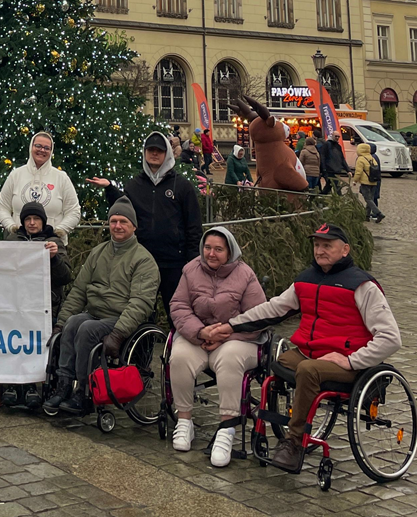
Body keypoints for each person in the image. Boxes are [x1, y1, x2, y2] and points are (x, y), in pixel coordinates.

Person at [205, 222, 401, 472]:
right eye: (317, 245)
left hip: (347, 361)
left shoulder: (362, 286)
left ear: (345, 250)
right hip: (310, 352)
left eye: (327, 245)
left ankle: (294, 442)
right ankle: (262, 417)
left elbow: (391, 337)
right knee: (278, 361)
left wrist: (352, 361)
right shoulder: (306, 280)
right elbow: (273, 309)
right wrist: (231, 326)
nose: (319, 250)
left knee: (308, 370)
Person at [43, 199, 160, 417]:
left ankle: (85, 392)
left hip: (120, 318)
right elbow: (78, 291)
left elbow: (140, 303)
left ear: (134, 226)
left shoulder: (143, 260)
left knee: (86, 328)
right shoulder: (98, 252)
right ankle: (65, 385)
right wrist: (59, 323)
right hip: (94, 312)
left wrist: (118, 334)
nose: (117, 226)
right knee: (72, 324)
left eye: (123, 221)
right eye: (113, 221)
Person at [168, 226, 266, 466]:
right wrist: (200, 331)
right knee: (178, 355)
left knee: (231, 358)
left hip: (237, 338)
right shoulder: (190, 269)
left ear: (230, 251)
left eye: (218, 249)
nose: (211, 253)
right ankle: (184, 421)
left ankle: (227, 428)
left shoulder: (245, 274)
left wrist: (226, 332)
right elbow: (179, 305)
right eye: (208, 247)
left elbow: (258, 315)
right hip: (197, 334)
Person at [87, 132, 202, 316]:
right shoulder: (134, 185)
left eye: (159, 150)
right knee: (141, 313)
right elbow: (125, 209)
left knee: (177, 313)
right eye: (150, 150)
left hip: (174, 262)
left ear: (167, 154)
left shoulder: (181, 186)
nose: (154, 154)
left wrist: (193, 260)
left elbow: (194, 226)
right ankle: (143, 345)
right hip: (141, 261)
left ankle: (177, 345)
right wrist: (110, 189)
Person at [2, 200, 72, 412]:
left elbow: (66, 276)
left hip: (45, 304)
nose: (32, 223)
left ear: (43, 221)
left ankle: (33, 384)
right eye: (28, 219)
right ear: (22, 222)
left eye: (36, 219)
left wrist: (53, 259)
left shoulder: (54, 242)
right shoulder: (12, 240)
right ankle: (13, 383)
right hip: (15, 303)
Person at [0, 131, 81, 242]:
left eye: (47, 148)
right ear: (31, 147)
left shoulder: (61, 177)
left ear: (51, 151)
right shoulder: (15, 175)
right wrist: (12, 227)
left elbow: (74, 211)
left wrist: (59, 231)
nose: (42, 150)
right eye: (38, 146)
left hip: (52, 245)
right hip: (19, 243)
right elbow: (2, 207)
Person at [352, 143, 384, 222]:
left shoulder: (361, 159)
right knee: (371, 199)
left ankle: (379, 213)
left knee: (368, 199)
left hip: (365, 182)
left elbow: (358, 172)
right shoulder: (372, 158)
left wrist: (355, 180)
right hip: (373, 181)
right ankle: (366, 215)